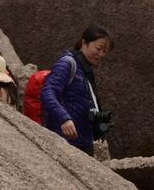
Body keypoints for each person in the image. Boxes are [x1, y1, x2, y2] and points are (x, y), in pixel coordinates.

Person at [41, 25, 114, 157]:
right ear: (84, 43)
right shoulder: (68, 63)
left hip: (83, 141)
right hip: (64, 140)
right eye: (98, 48)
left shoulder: (86, 70)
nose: (101, 54)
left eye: (105, 51)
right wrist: (64, 119)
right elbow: (48, 92)